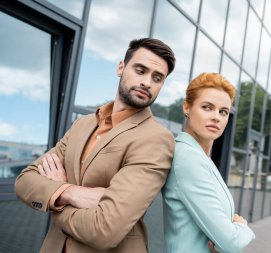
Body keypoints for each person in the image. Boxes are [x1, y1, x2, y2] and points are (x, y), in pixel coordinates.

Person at [14, 38, 176, 253]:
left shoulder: (156, 138)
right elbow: (25, 180)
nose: (147, 82)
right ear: (121, 67)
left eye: (157, 78)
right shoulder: (82, 124)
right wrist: (71, 193)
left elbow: (105, 229)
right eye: (140, 70)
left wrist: (54, 199)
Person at [162, 73, 255, 253]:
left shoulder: (201, 158)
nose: (216, 117)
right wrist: (243, 228)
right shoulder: (188, 158)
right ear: (187, 107)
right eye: (207, 107)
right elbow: (232, 242)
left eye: (223, 112)